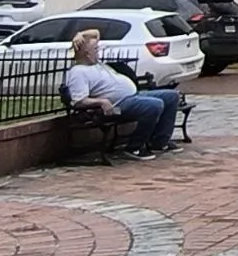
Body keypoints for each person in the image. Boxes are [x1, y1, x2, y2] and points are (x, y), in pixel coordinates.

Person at [64, 28, 183, 160]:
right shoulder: (78, 72)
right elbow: (78, 101)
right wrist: (101, 102)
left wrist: (82, 36)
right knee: (154, 105)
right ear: (87, 54)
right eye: (96, 49)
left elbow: (96, 32)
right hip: (117, 106)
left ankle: (159, 142)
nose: (99, 51)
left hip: (133, 96)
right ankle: (134, 147)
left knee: (172, 96)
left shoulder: (95, 64)